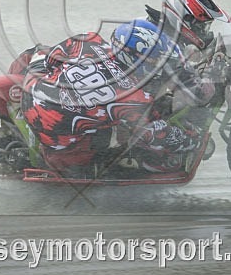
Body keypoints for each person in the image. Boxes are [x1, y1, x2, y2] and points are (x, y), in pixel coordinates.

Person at [20, 19, 217, 175]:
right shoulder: (134, 96)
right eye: (155, 60)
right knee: (127, 137)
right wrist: (195, 140)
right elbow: (156, 134)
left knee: (38, 51)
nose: (157, 64)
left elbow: (52, 57)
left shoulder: (89, 40)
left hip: (30, 92)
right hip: (58, 142)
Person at [145, 0, 229, 51]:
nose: (204, 31)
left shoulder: (175, 35)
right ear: (184, 19)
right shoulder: (155, 40)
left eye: (207, 26)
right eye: (201, 26)